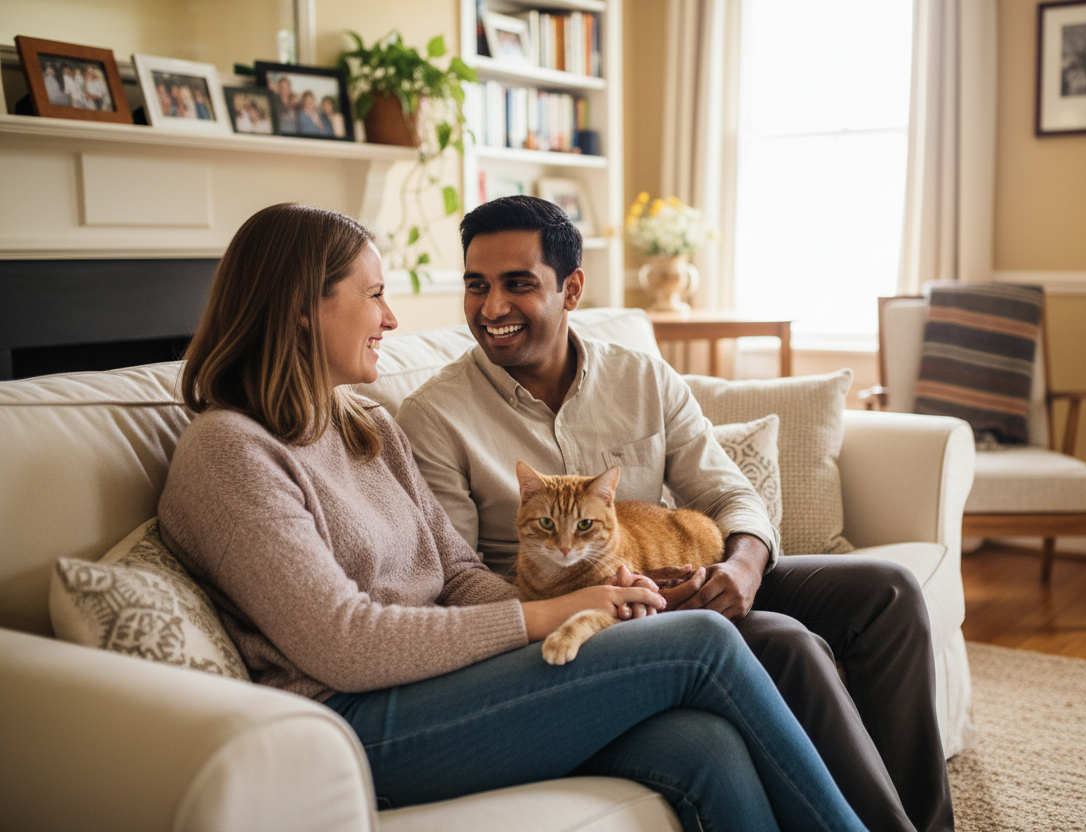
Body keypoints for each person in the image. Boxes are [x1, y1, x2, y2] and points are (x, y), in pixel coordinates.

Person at [157, 202, 867, 832]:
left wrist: (601, 605)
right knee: (703, 642)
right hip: (351, 724)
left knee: (702, 745)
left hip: (448, 681)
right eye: (374, 295)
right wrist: (549, 615)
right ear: (299, 305)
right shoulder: (228, 451)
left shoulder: (363, 426)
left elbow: (459, 572)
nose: (393, 318)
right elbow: (343, 644)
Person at [396, 195, 957, 832]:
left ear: (572, 288)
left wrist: (744, 567)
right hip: (585, 619)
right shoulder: (433, 417)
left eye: (517, 285)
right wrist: (595, 602)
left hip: (685, 576)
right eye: (477, 286)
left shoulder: (643, 377)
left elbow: (728, 493)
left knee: (887, 591)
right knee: (789, 644)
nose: (491, 308)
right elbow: (459, 581)